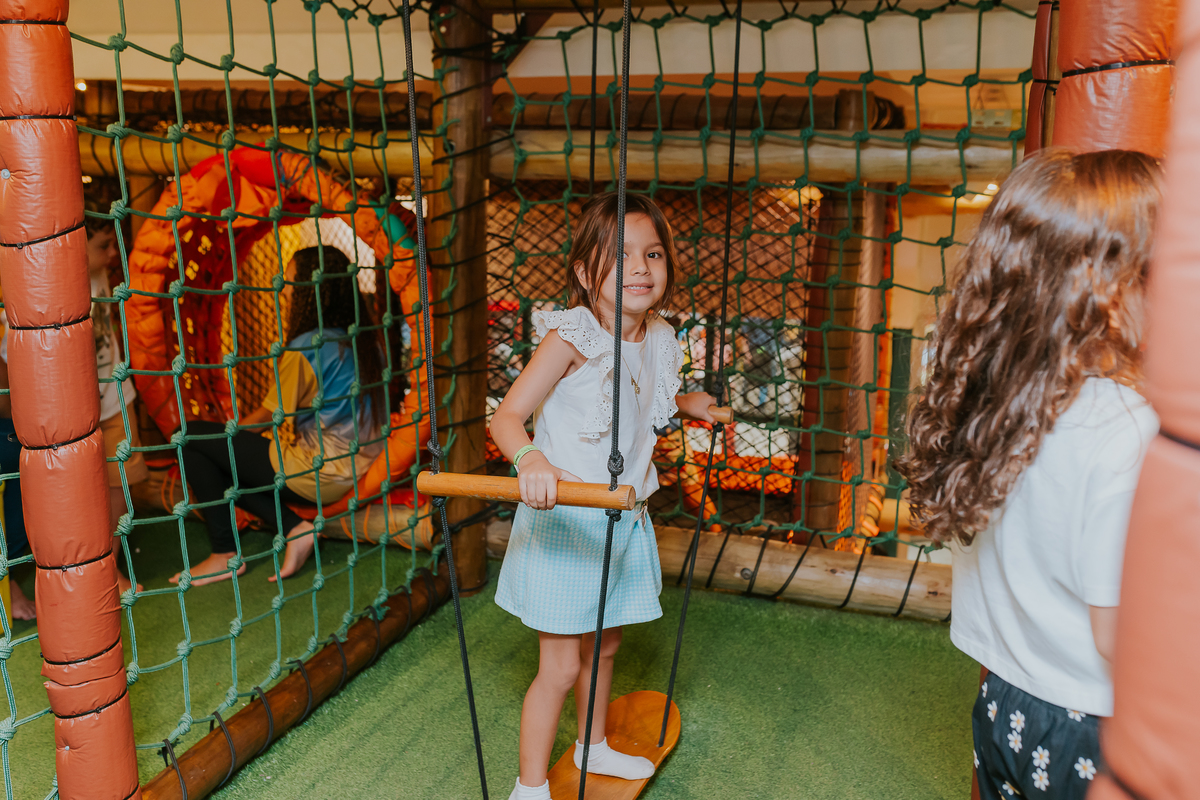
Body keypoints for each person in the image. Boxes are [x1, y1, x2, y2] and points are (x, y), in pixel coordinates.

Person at [897, 150, 1161, 800]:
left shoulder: (995, 398)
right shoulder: (1124, 429)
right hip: (1093, 726)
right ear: (1114, 286)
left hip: (1003, 705)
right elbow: (1114, 633)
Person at [490, 193, 717, 800]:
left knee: (607, 643)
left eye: (653, 254)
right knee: (561, 666)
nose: (641, 267)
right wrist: (529, 458)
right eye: (620, 256)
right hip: (567, 523)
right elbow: (507, 417)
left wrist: (694, 405)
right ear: (587, 272)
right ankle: (528, 788)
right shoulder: (572, 336)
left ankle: (594, 748)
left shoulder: (663, 335)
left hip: (622, 520)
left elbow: (656, 395)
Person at [171, 246, 385, 586]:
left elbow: (268, 415)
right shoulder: (364, 338)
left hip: (317, 474)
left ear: (309, 289)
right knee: (221, 457)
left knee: (191, 438)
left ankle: (225, 553)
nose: (283, 286)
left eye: (290, 279)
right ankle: (294, 528)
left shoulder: (307, 346)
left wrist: (229, 435)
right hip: (359, 465)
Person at [0, 209, 147, 613]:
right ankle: (40, 580)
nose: (113, 252)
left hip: (113, 398)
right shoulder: (39, 279)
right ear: (71, 242)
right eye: (103, 244)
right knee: (55, 494)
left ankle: (106, 568)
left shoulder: (97, 274)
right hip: (60, 412)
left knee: (123, 480)